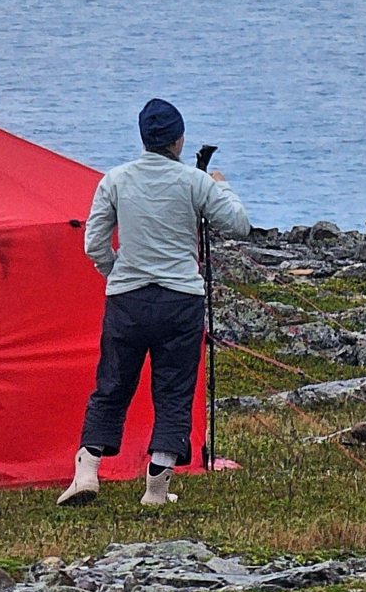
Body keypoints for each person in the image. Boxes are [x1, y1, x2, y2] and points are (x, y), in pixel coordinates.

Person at [58, 97, 251, 508]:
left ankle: (87, 470)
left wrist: (115, 272)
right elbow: (238, 224)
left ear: (144, 138)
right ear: (179, 142)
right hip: (180, 300)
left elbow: (94, 241)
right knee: (174, 390)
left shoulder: (115, 179)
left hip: (127, 299)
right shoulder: (194, 183)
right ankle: (155, 489)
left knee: (112, 384)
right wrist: (222, 185)